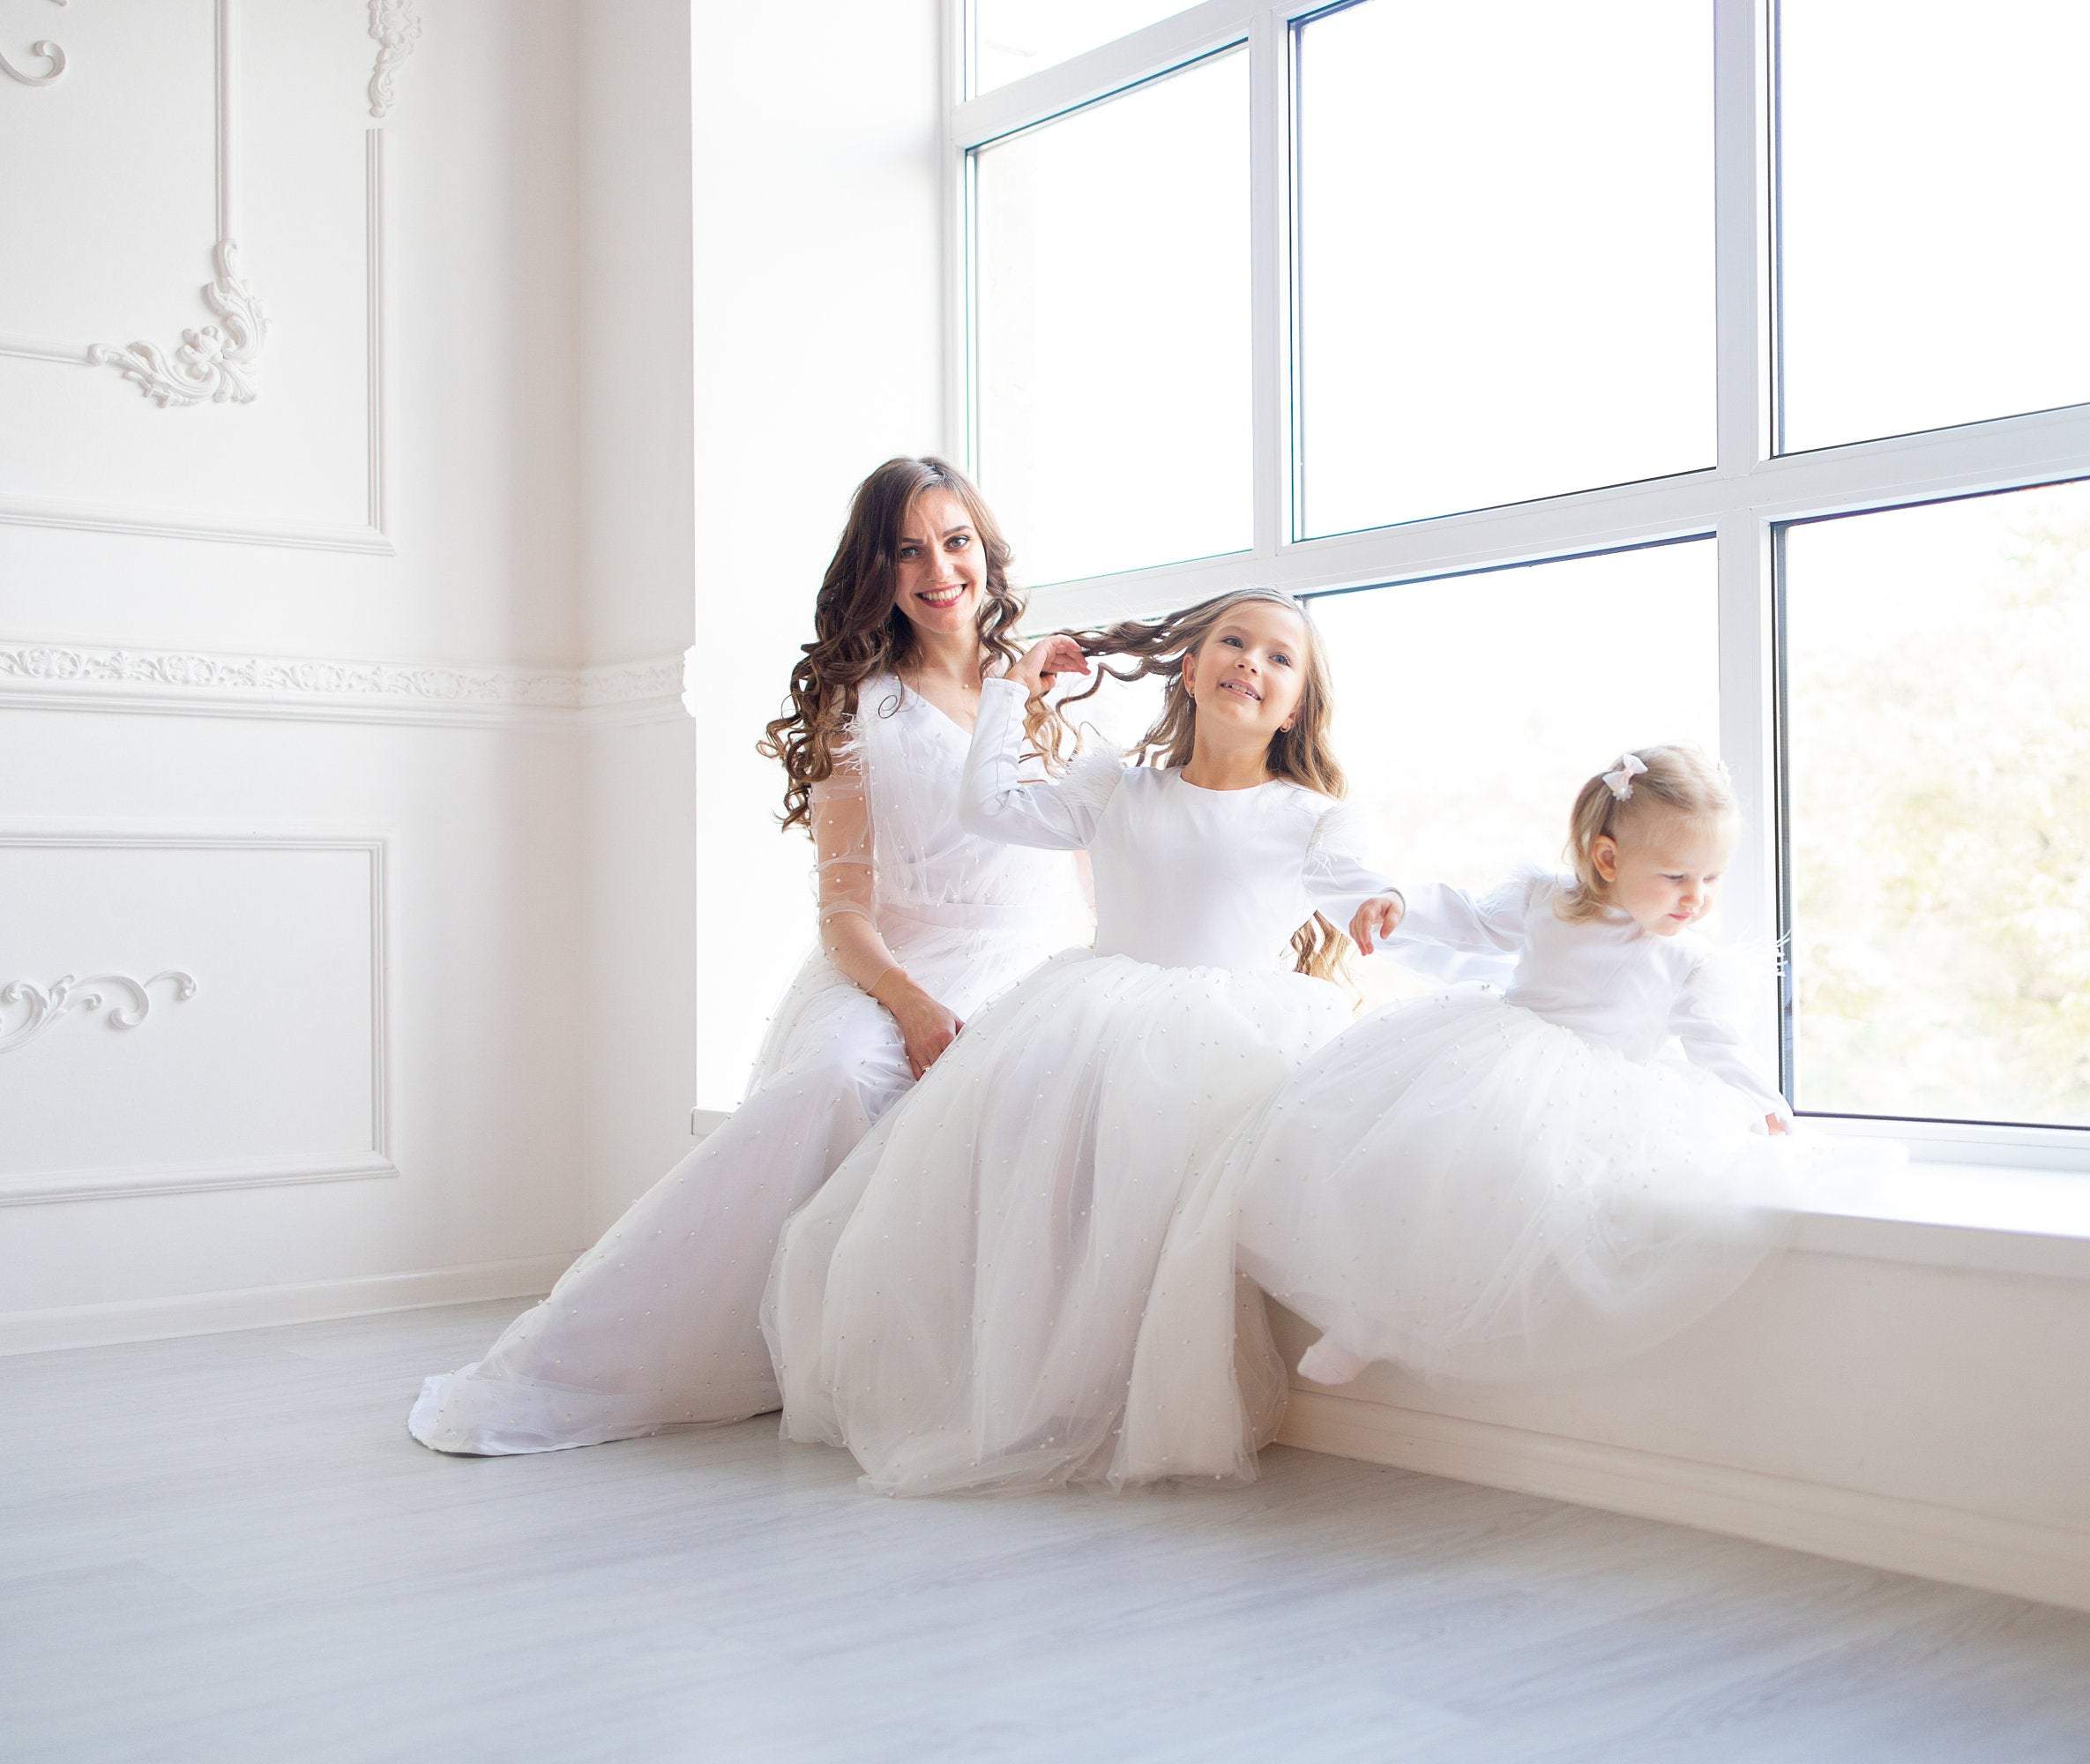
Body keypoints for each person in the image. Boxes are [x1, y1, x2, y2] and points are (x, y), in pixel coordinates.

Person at [409, 457, 1084, 1454]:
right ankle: (644, 1344)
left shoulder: (1040, 693)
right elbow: (844, 913)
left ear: (987, 554)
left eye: (957, 541)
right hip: (895, 961)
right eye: (908, 550)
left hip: (1029, 962)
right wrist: (911, 1004)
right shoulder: (863, 706)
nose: (940, 568)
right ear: (878, 572)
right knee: (831, 1080)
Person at [765, 587, 1444, 1494]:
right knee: (1026, 1155)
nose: (1253, 661)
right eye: (1234, 642)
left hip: (1229, 1026)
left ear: (1298, 706)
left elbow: (1359, 889)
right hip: (1095, 1006)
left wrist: (1377, 907)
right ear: (1192, 668)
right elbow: (991, 806)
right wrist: (1013, 686)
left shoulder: (1311, 814)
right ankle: (1016, 1381)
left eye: (1282, 659)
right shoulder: (1119, 784)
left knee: (1188, 1159)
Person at [1223, 744, 1852, 1389]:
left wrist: (1765, 1105)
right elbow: (1466, 918)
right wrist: (1400, 904)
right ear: (1608, 858)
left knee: (1516, 1205)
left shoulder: (1687, 961)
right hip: (1498, 1065)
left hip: (1594, 1097)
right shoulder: (1546, 901)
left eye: (1711, 880)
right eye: (1676, 878)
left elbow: (1718, 1045)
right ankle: (1362, 1319)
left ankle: (1393, 1326)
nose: (1696, 899)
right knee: (1416, 1173)